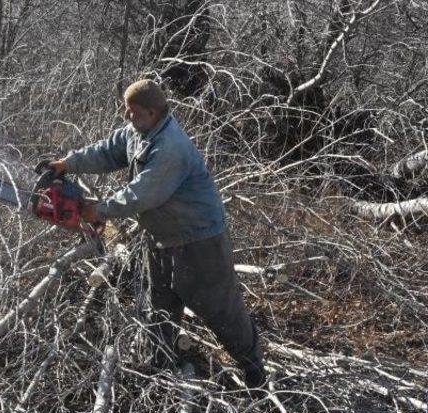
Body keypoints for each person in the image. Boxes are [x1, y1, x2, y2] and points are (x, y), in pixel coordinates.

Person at [48, 79, 266, 388]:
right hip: (162, 235)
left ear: (152, 112)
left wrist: (99, 210)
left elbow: (142, 194)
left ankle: (254, 370)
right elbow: (108, 151)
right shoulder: (140, 130)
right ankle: (157, 370)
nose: (127, 116)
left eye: (133, 111)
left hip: (199, 239)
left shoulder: (170, 148)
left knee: (220, 309)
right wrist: (67, 164)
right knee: (159, 305)